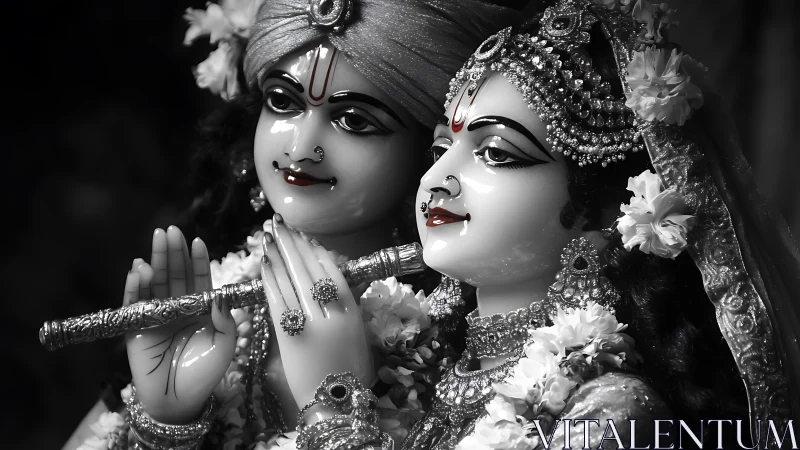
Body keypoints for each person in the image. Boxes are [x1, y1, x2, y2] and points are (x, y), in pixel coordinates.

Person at [255, 0, 800, 449]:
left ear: (602, 211)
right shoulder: (426, 369)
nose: (438, 180)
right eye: (442, 149)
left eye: (495, 153)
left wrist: (332, 411)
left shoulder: (610, 410)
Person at [70, 1, 521, 449]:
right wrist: (166, 421)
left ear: (431, 149)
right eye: (282, 102)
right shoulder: (215, 306)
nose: (302, 148)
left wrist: (337, 414)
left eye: (354, 121)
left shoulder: (465, 354)